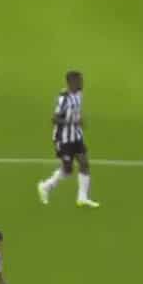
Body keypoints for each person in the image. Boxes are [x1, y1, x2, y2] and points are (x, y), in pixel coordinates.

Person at [38, 70, 98, 206]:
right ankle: (45, 186)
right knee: (67, 170)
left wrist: (79, 120)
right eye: (79, 81)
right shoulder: (63, 99)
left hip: (76, 136)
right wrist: (73, 121)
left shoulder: (79, 94)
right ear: (72, 83)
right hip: (63, 139)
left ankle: (82, 197)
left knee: (84, 163)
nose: (82, 83)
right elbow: (55, 119)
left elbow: (76, 111)